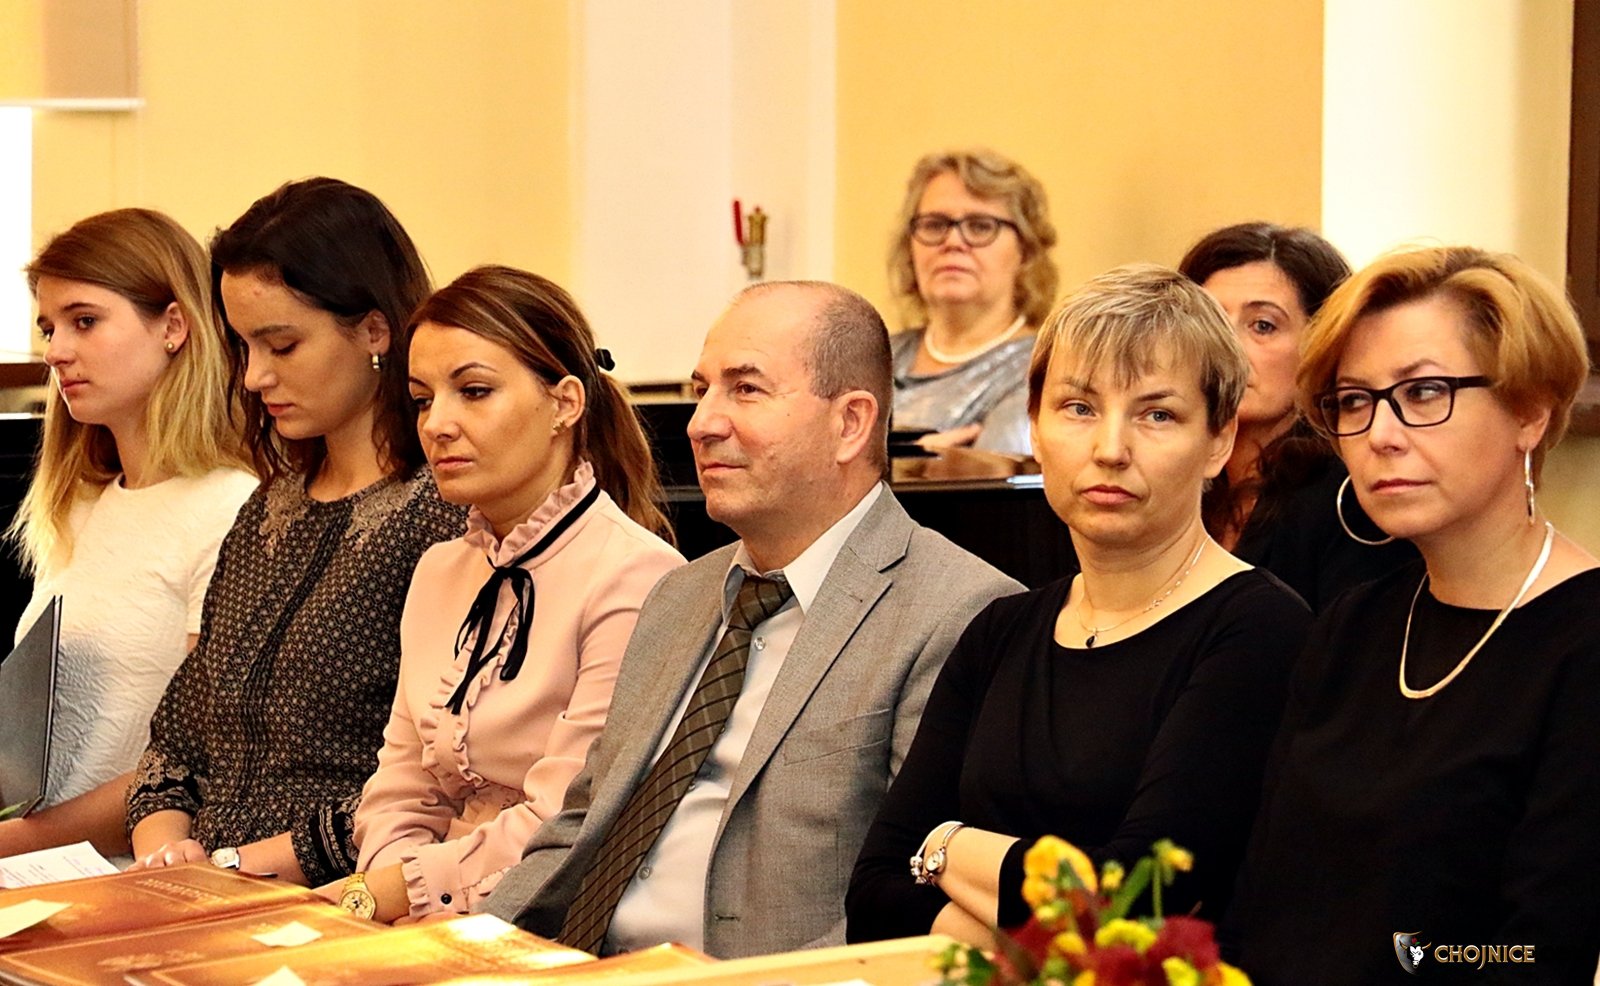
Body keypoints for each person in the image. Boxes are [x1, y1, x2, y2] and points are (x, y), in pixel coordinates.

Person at [480, 281, 1021, 958]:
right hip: (578, 963)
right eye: (701, 388)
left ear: (851, 423)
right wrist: (470, 950)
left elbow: (911, 901)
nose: (701, 422)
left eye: (745, 389)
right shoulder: (678, 595)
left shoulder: (960, 613)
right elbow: (584, 820)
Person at [847, 265, 1312, 944]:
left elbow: (1132, 906)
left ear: (1218, 440)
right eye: (1079, 408)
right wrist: (1037, 944)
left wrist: (946, 845)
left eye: (1157, 414)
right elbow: (873, 895)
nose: (1110, 449)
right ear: (1034, 427)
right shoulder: (1000, 628)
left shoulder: (1260, 629)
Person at [1229, 247, 1600, 984]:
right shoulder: (1351, 625)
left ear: (1529, 410)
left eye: (1425, 392)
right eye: (1354, 401)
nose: (1381, 434)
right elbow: (1263, 894)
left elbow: (1539, 954)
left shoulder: (1583, 644)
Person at [123, 178, 465, 887]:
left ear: (375, 331)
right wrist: (166, 854)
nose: (254, 376)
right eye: (243, 345)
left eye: (281, 345)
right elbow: (174, 749)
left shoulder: (443, 515)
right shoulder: (268, 510)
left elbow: (435, 787)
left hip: (345, 897)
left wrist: (234, 866)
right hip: (208, 885)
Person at [338, 266, 684, 922]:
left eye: (474, 391)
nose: (438, 424)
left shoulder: (638, 577)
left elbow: (566, 819)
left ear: (565, 404)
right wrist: (389, 901)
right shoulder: (440, 570)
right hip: (416, 913)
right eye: (422, 399)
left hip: (552, 919)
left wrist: (387, 896)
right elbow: (401, 787)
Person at [0, 210, 255, 858]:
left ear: (173, 326)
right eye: (49, 328)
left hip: (126, 873)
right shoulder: (78, 504)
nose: (56, 351)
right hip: (36, 870)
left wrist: (12, 842)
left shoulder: (229, 507)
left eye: (84, 321)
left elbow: (199, 761)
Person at [1179, 222, 1414, 610]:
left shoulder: (1346, 494)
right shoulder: (1180, 482)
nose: (1228, 348)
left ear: (1322, 345)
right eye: (1210, 323)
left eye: (1263, 326)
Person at [886, 149, 1058, 454]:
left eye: (980, 226)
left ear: (1026, 250)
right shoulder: (877, 356)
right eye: (934, 225)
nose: (953, 242)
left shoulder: (1046, 367)